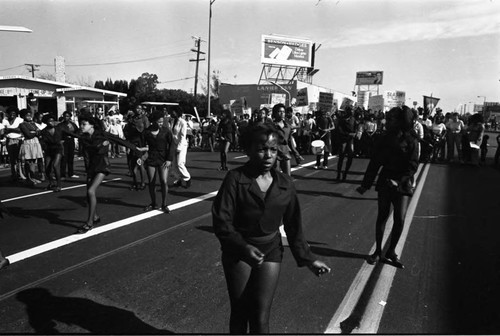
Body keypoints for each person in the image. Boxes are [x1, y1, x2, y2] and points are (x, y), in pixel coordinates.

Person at [212, 122, 331, 334]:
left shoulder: (285, 183)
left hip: (271, 249)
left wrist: (308, 259)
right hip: (239, 253)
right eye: (261, 149)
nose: (268, 155)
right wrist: (242, 247)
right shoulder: (235, 179)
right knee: (240, 313)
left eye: (273, 149)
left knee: (261, 317)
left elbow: (294, 225)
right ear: (248, 150)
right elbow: (222, 221)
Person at [356, 106, 419, 269]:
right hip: (385, 180)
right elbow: (375, 162)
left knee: (400, 218)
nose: (388, 121)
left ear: (400, 121)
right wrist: (366, 184)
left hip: (403, 181)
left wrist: (399, 182)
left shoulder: (411, 139)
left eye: (391, 119)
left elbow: (412, 166)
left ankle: (391, 251)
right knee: (382, 216)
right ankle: (378, 251)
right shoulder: (384, 138)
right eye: (388, 118)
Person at [67, 115, 146, 234]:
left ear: (91, 125)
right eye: (81, 124)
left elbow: (119, 140)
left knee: (91, 191)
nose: (82, 126)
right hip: (91, 167)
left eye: (84, 124)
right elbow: (88, 152)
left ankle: (89, 223)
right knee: (88, 195)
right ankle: (95, 217)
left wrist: (136, 149)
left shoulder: (102, 134)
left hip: (102, 166)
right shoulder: (84, 137)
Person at [142, 112, 176, 213]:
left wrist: (169, 159)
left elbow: (172, 145)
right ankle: (153, 203)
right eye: (159, 122)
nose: (161, 123)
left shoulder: (166, 131)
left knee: (163, 181)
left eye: (162, 122)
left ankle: (164, 204)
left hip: (163, 158)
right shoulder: (146, 132)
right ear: (153, 122)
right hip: (151, 158)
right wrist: (142, 157)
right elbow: (143, 145)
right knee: (151, 182)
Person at [123, 105, 149, 190]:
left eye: (140, 109)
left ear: (142, 110)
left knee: (140, 163)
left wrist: (147, 145)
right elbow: (127, 131)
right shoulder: (132, 119)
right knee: (131, 165)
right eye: (137, 108)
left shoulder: (144, 119)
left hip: (141, 143)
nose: (138, 110)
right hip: (131, 143)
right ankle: (134, 183)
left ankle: (143, 183)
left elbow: (147, 132)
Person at [19, 110, 45, 186]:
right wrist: (35, 132)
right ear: (23, 116)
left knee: (33, 161)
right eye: (27, 115)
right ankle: (29, 178)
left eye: (30, 115)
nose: (29, 117)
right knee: (28, 161)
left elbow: (39, 132)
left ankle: (33, 177)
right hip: (28, 144)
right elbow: (28, 135)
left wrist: (33, 132)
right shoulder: (22, 124)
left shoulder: (33, 123)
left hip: (35, 143)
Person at [39, 114, 64, 192]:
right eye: (50, 121)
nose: (52, 122)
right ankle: (51, 183)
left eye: (53, 120)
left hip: (58, 149)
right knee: (47, 168)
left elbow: (69, 133)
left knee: (55, 165)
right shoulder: (43, 131)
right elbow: (43, 141)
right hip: (49, 150)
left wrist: (80, 136)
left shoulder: (59, 128)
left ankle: (59, 185)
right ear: (46, 122)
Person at [170, 107, 191, 188]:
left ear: (177, 112)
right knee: (174, 164)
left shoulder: (182, 122)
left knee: (180, 163)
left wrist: (179, 148)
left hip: (181, 145)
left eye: (173, 112)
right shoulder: (172, 121)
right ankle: (178, 179)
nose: (172, 113)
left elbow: (183, 136)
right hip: (174, 144)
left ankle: (187, 178)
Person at [3, 106, 26, 181]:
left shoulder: (20, 120)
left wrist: (9, 129)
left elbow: (21, 130)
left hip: (18, 140)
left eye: (14, 113)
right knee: (12, 159)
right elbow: (3, 131)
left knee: (19, 158)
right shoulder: (5, 120)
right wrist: (14, 130)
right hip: (9, 140)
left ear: (16, 114)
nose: (12, 115)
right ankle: (14, 174)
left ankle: (21, 174)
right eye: (10, 113)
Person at [335, 108, 357, 181]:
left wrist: (356, 133)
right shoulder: (342, 119)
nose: (352, 112)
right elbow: (339, 130)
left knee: (350, 157)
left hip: (351, 140)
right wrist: (348, 134)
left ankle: (345, 173)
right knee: (341, 157)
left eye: (352, 111)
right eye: (350, 111)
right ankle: (338, 174)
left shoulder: (353, 119)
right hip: (343, 140)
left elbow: (355, 128)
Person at [57, 111, 80, 179]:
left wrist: (76, 135)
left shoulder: (73, 124)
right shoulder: (60, 125)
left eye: (67, 116)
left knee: (71, 157)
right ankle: (62, 174)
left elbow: (77, 131)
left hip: (71, 141)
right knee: (64, 158)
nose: (66, 117)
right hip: (64, 141)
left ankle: (71, 173)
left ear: (70, 117)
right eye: (65, 116)